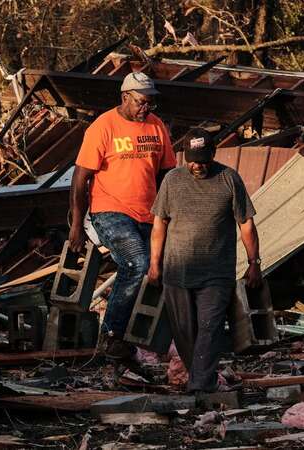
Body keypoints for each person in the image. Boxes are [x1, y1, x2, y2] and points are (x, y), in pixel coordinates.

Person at [69, 72, 177, 359]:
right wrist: (77, 225)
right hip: (110, 210)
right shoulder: (103, 127)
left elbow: (167, 174)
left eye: (151, 103)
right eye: (141, 102)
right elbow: (80, 179)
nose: (146, 108)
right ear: (125, 97)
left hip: (149, 213)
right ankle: (112, 336)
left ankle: (149, 338)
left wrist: (171, 215)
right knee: (137, 263)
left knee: (161, 270)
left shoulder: (157, 127)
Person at [148, 127, 261, 393]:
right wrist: (155, 264)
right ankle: (201, 379)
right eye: (192, 159)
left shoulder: (229, 179)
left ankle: (200, 386)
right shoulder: (172, 181)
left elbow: (246, 223)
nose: (197, 165)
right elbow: (159, 224)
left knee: (210, 329)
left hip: (216, 273)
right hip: (176, 272)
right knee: (184, 332)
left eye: (203, 159)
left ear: (213, 153)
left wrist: (254, 263)